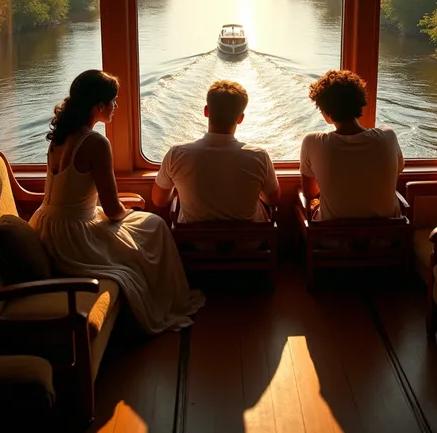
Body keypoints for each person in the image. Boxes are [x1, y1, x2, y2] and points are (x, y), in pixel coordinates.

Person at [30, 69, 204, 334]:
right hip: (74, 237)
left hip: (45, 225)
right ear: (100, 105)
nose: (116, 106)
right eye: (114, 100)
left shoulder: (60, 136)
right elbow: (112, 210)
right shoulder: (96, 142)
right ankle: (167, 300)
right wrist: (128, 212)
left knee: (141, 225)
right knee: (155, 225)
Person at [152, 80, 280, 221]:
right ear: (240, 119)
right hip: (247, 242)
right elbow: (272, 200)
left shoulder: (176, 154)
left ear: (206, 111)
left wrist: (179, 191)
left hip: (194, 242)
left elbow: (159, 200)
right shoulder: (259, 156)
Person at [300, 69, 404, 220]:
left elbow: (310, 193)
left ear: (325, 111)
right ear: (360, 103)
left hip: (335, 240)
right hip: (386, 239)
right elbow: (397, 170)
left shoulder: (312, 142)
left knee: (300, 210)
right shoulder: (388, 137)